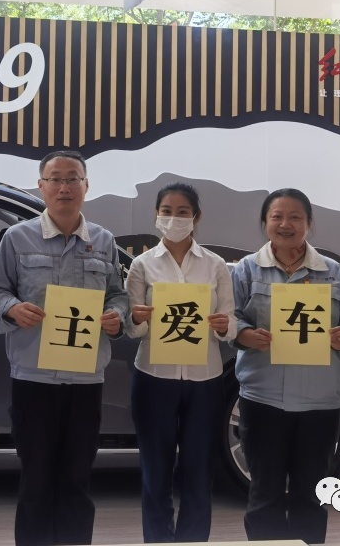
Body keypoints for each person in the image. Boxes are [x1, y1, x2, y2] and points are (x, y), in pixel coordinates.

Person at [0, 150, 129, 546]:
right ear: (41, 186)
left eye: (72, 178)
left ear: (86, 186)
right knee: (36, 480)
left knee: (77, 480)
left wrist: (116, 316)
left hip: (85, 378)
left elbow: (117, 295)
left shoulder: (103, 240)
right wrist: (12, 308)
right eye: (56, 179)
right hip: (33, 377)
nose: (64, 187)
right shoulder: (17, 238)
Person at [231, 188, 340, 544]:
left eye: (295, 217)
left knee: (311, 496)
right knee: (264, 495)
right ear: (265, 222)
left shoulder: (332, 272)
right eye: (277, 217)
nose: (285, 224)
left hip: (320, 403)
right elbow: (229, 318)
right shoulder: (246, 269)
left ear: (309, 223)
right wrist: (244, 334)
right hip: (263, 399)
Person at [125, 183, 235, 543]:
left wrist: (223, 325)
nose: (174, 218)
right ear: (156, 215)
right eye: (167, 211)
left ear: (196, 217)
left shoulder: (215, 265)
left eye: (183, 212)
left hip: (205, 379)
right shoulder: (142, 265)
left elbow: (231, 323)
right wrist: (137, 317)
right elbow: (133, 329)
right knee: (155, 472)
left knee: (199, 471)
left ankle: (192, 541)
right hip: (154, 377)